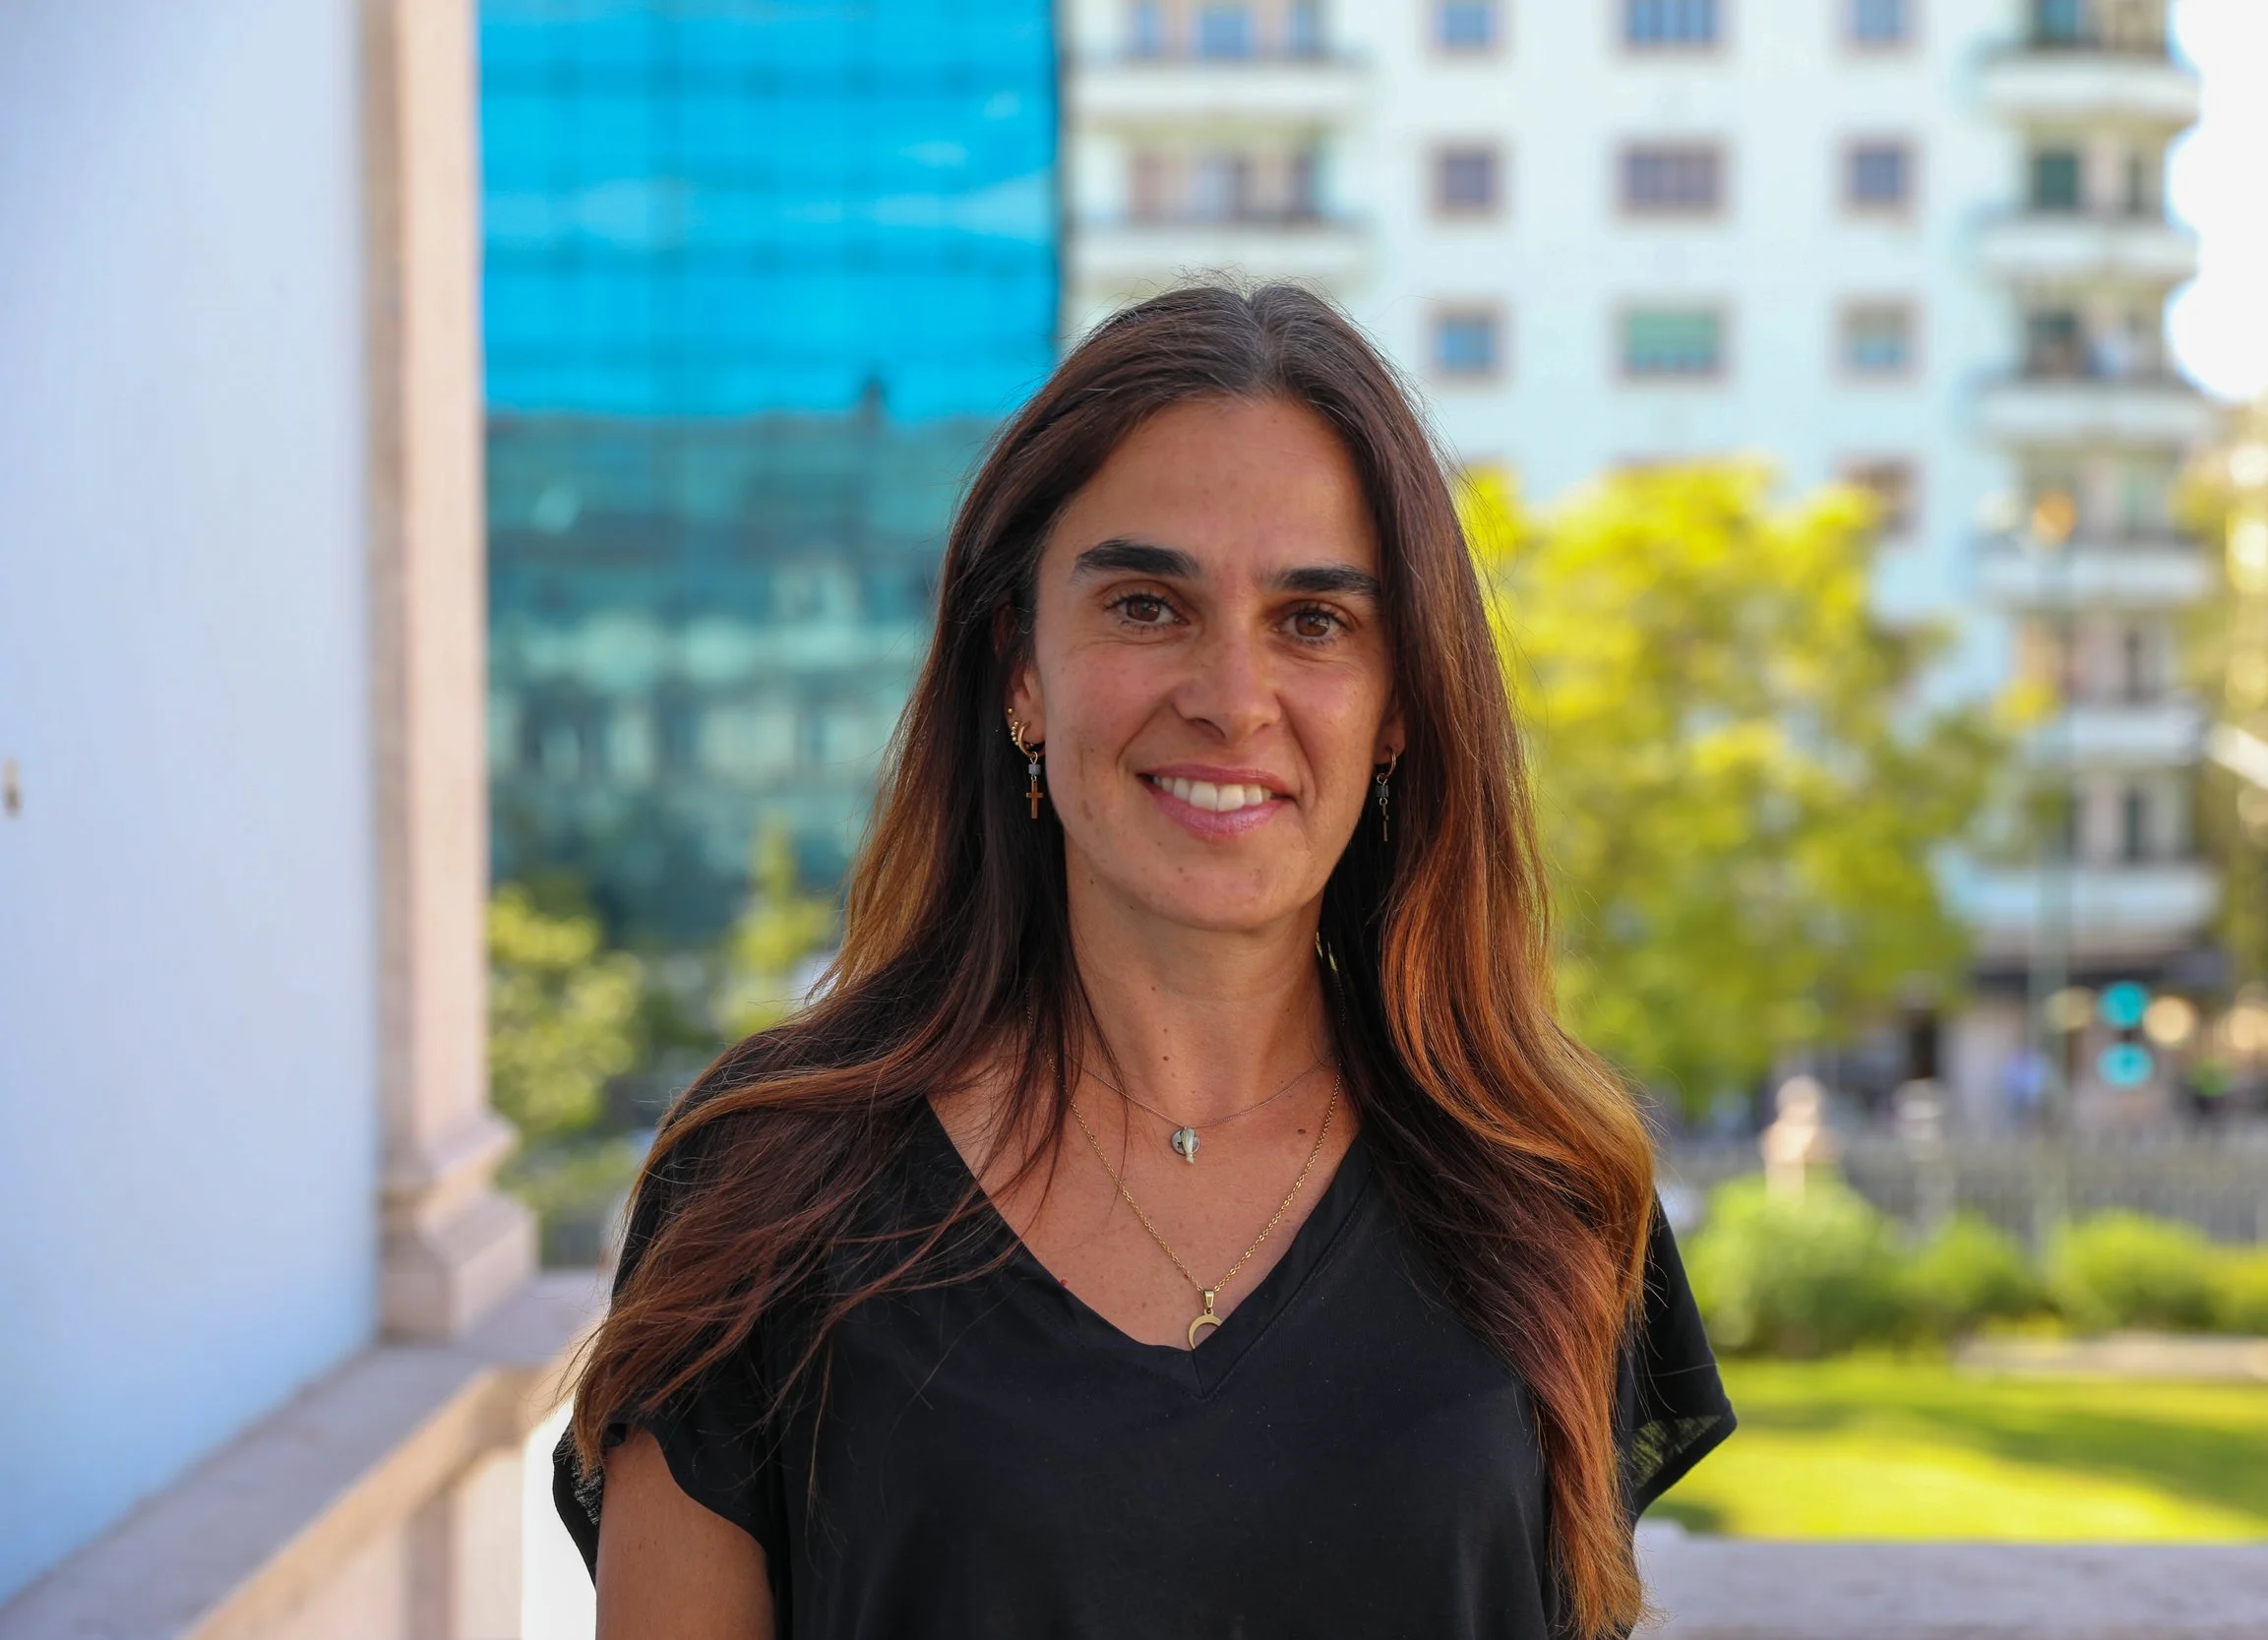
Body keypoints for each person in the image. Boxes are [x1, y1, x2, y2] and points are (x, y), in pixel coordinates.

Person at [553, 283, 1732, 1640]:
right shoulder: (766, 1184)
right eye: (1147, 604)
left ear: (1400, 702)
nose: (1232, 698)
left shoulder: (1545, 1186)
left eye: (1313, 622)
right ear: (1020, 671)